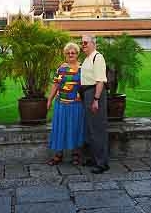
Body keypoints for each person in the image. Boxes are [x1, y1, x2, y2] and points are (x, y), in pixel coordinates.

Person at [47, 42, 85, 165]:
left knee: (75, 128)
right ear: (65, 54)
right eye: (68, 53)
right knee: (60, 128)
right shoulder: (61, 68)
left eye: (73, 53)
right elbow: (56, 85)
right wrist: (49, 100)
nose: (70, 54)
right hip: (61, 104)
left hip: (76, 104)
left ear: (77, 54)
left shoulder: (82, 68)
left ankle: (75, 154)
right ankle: (58, 155)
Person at [81, 35, 109, 174]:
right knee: (90, 128)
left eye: (85, 42)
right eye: (82, 43)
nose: (83, 45)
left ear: (93, 43)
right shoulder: (87, 58)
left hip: (94, 94)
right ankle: (94, 158)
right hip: (87, 93)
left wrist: (96, 100)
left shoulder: (97, 57)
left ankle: (101, 163)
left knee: (97, 128)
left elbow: (100, 81)